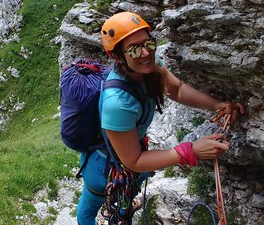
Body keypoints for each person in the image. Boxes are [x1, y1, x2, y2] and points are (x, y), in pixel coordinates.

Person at [76, 11, 245, 225]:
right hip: (102, 167)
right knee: (88, 210)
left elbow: (178, 89)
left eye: (149, 44)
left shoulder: (151, 67)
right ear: (117, 56)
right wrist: (190, 151)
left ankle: (125, 209)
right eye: (134, 49)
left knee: (125, 200)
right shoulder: (117, 103)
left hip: (130, 158)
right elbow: (134, 161)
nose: (146, 53)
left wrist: (216, 105)